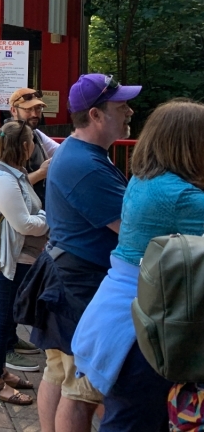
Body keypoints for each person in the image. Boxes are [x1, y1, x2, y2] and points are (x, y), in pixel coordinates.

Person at [72, 99, 204, 432]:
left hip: (123, 317)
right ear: (189, 143)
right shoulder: (177, 196)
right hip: (146, 328)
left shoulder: (147, 180)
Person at [27, 73, 140, 432]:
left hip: (66, 275)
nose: (130, 112)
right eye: (121, 107)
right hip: (80, 283)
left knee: (59, 373)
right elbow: (133, 231)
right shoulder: (86, 165)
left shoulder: (82, 154)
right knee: (85, 387)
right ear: (95, 115)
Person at [0, 120, 49, 405]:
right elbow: (23, 224)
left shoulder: (15, 172)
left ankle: (0, 372)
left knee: (4, 320)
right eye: (33, 142)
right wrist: (48, 219)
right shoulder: (2, 178)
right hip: (6, 260)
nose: (36, 147)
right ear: (23, 146)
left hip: (16, 258)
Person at [7, 88, 59, 203]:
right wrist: (41, 173)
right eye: (28, 109)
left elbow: (61, 151)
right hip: (20, 212)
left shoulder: (35, 133)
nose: (34, 114)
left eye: (38, 109)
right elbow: (6, 187)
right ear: (14, 110)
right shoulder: (6, 139)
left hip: (38, 209)